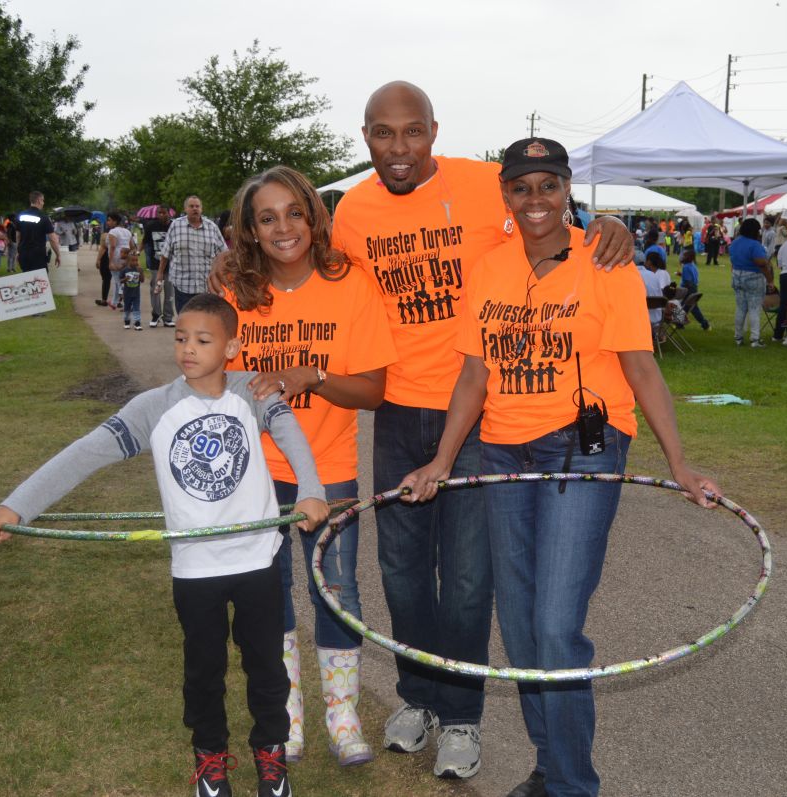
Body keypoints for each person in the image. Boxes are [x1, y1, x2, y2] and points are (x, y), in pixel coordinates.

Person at [260, 81, 632, 782]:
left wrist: (611, 222)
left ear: (434, 130)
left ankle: (462, 717)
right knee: (402, 575)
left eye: (411, 132)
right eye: (382, 134)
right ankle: (418, 698)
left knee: (466, 581)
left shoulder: (479, 184)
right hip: (398, 411)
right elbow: (311, 270)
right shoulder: (354, 210)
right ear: (365, 135)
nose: (398, 148)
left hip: (478, 412)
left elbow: (548, 213)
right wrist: (236, 264)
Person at [399, 137, 718, 797]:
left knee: (553, 624)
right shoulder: (487, 268)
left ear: (567, 188)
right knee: (518, 627)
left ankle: (574, 785)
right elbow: (472, 375)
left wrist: (680, 463)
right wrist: (440, 458)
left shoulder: (605, 261)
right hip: (504, 448)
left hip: (582, 443)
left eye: (549, 185)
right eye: (522, 187)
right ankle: (551, 766)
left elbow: (642, 368)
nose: (536, 199)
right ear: (506, 196)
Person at [0, 293, 328, 797]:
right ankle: (211, 760)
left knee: (267, 669)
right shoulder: (152, 408)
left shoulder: (252, 393)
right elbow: (85, 453)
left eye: (203, 340)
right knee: (203, 672)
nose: (188, 348)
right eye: (180, 337)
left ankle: (271, 755)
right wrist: (18, 505)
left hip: (257, 561)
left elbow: (292, 436)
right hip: (195, 570)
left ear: (232, 346)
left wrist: (312, 490)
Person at [216, 165, 397, 767]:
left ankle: (342, 716)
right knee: (269, 594)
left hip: (330, 467)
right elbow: (209, 376)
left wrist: (310, 377)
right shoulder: (234, 289)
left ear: (315, 216)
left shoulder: (351, 283)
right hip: (254, 471)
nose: (283, 227)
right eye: (267, 217)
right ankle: (285, 716)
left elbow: (372, 390)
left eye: (294, 212)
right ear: (249, 230)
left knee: (336, 591)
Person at [158, 196, 227, 313]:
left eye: (197, 206)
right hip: (182, 285)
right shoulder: (176, 226)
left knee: (204, 322)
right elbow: (165, 253)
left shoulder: (212, 228)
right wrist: (160, 273)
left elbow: (224, 254)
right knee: (185, 321)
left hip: (206, 286)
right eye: (191, 206)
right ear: (185, 209)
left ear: (201, 209)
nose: (195, 209)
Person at [729, 217, 773, 347]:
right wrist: (770, 279)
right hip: (753, 278)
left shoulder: (735, 242)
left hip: (737, 276)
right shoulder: (755, 244)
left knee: (740, 308)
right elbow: (761, 263)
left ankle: (738, 337)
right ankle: (755, 339)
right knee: (754, 309)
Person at [143, 204, 176, 327]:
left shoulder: (174, 226)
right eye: (159, 213)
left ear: (169, 213)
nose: (161, 215)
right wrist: (136, 252)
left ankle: (168, 317)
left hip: (171, 264)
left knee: (169, 291)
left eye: (164, 213)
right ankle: (156, 314)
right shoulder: (151, 226)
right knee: (155, 290)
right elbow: (145, 241)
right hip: (155, 263)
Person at [15, 191, 60, 273]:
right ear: (38, 200)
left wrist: (18, 251)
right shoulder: (43, 217)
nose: (43, 203)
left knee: (27, 279)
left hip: (24, 253)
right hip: (38, 255)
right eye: (43, 200)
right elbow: (52, 239)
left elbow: (18, 235)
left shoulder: (20, 216)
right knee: (40, 281)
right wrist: (58, 254)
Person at [676, 246, 711, 330]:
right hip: (693, 288)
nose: (682, 256)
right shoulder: (692, 265)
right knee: (691, 308)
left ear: (687, 257)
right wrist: (681, 275)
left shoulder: (686, 267)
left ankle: (679, 323)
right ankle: (703, 324)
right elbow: (691, 278)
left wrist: (684, 292)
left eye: (684, 255)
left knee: (680, 306)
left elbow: (688, 282)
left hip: (688, 290)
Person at [105, 211, 133, 310]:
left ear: (115, 221)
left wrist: (111, 262)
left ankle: (127, 303)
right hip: (125, 256)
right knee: (121, 280)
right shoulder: (127, 231)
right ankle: (114, 302)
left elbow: (112, 246)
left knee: (118, 281)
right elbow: (132, 246)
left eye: (109, 220)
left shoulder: (113, 232)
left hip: (116, 257)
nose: (107, 222)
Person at [119, 244, 144, 330]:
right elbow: (120, 280)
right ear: (128, 261)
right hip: (127, 293)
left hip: (136, 294)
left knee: (136, 308)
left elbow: (142, 280)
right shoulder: (125, 270)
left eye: (136, 260)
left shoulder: (138, 269)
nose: (135, 262)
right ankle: (126, 321)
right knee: (127, 308)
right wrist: (125, 279)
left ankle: (137, 322)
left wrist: (141, 273)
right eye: (133, 261)